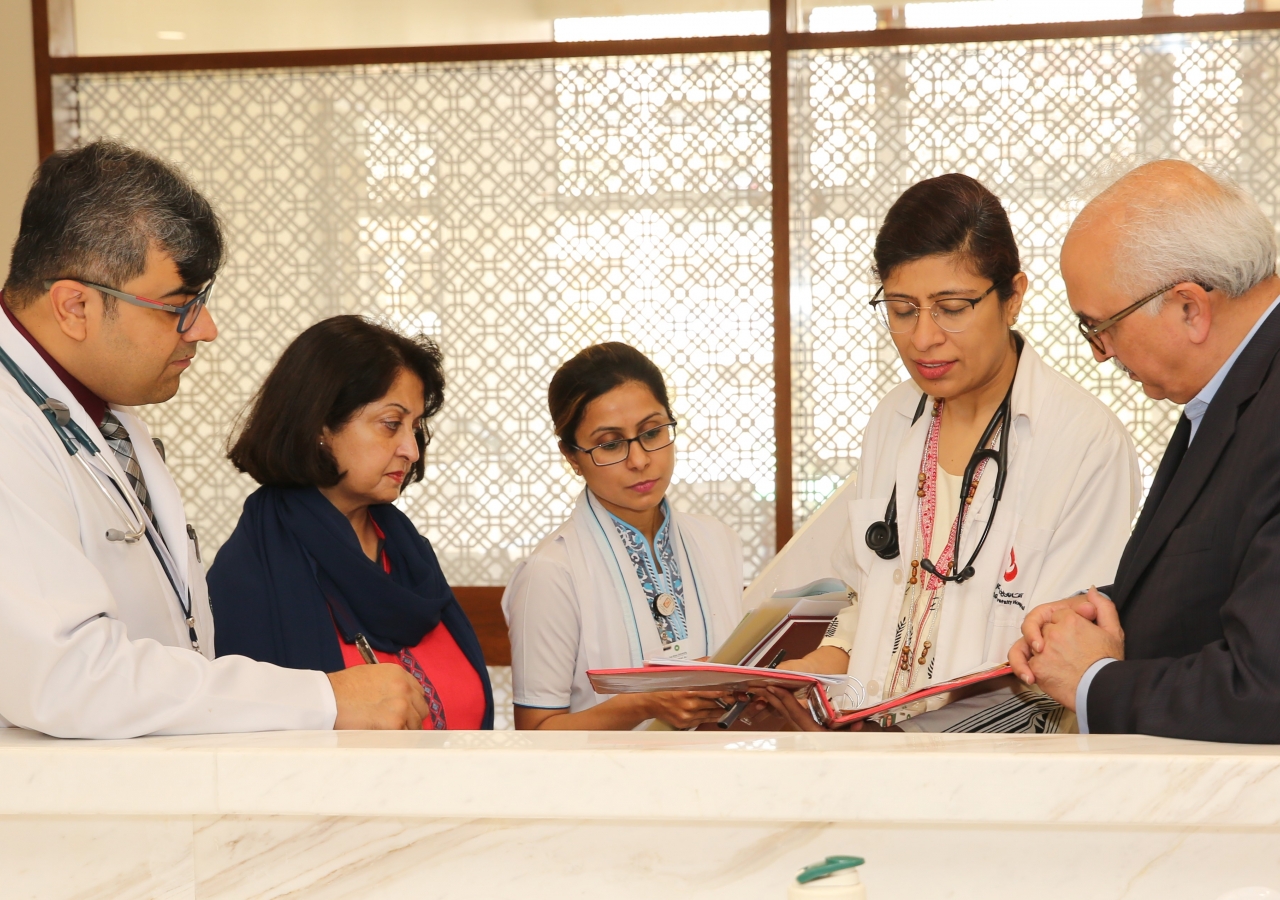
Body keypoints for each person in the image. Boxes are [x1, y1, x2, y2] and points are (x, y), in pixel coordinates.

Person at [0, 141, 430, 738]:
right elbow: (69, 675)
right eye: (180, 306)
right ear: (75, 306)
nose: (205, 329)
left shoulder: (108, 423)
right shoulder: (8, 430)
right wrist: (321, 698)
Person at [758, 174, 1141, 733]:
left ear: (1013, 297)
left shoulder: (1083, 441)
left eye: (951, 307)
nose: (922, 338)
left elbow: (1059, 661)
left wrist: (899, 737)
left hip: (998, 782)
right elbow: (872, 596)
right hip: (868, 763)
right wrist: (816, 678)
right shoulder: (893, 420)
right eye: (902, 308)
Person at [1009, 160, 1280, 743]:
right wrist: (1106, 610)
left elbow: (1263, 689)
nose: (1101, 355)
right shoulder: (1232, 392)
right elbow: (1227, 579)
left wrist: (1095, 680)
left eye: (1100, 327)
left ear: (1190, 307)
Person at [208, 316, 493, 729]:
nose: (411, 449)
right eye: (391, 424)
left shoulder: (409, 554)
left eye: (415, 427)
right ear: (321, 423)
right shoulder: (252, 574)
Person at [502, 343, 745, 730]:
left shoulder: (718, 542)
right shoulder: (550, 573)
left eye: (652, 432)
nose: (640, 459)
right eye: (610, 444)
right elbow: (536, 733)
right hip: (607, 785)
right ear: (572, 457)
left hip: (720, 777)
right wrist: (642, 705)